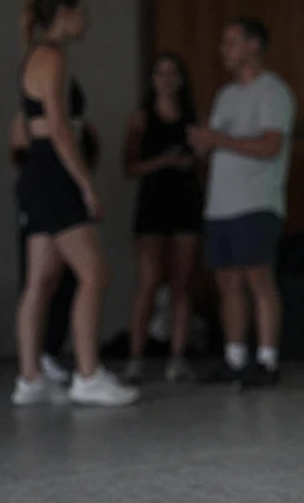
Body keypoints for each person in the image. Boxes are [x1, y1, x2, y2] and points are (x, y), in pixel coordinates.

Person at [12, 0, 138, 406]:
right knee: (94, 273)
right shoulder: (50, 57)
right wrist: (86, 185)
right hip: (53, 175)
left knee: (41, 280)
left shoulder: (41, 53)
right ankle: (88, 373)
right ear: (64, 13)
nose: (88, 19)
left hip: (41, 174)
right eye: (83, 10)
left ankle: (29, 379)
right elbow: (60, 130)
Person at [187, 18, 295, 387]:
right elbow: (214, 144)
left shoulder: (273, 91)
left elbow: (270, 145)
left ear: (254, 45)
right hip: (220, 204)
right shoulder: (225, 95)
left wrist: (218, 138)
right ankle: (235, 358)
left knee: (258, 279)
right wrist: (202, 141)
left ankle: (267, 360)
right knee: (227, 282)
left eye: (231, 41)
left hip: (256, 201)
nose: (224, 50)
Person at [121, 52, 202, 384]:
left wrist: (191, 162)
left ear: (181, 80)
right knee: (149, 282)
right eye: (160, 73)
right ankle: (136, 357)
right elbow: (129, 166)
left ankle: (178, 356)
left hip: (186, 203)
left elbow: (203, 160)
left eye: (172, 73)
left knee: (183, 284)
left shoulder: (193, 117)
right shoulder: (141, 118)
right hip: (153, 205)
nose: (166, 79)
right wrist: (163, 161)